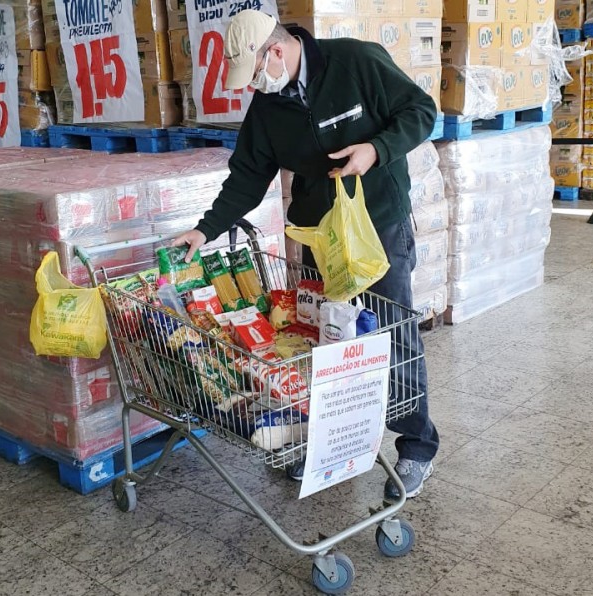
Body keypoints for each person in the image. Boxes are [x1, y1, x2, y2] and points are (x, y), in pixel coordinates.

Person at [173, 10, 440, 499]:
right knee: (329, 341)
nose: (254, 85)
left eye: (254, 72)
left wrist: (376, 150)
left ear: (276, 51)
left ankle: (416, 446)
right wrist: (204, 229)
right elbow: (248, 175)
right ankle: (335, 443)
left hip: (377, 225)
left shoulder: (355, 62)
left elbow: (421, 111)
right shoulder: (269, 107)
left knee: (391, 331)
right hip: (322, 237)